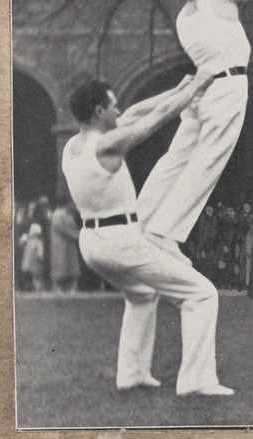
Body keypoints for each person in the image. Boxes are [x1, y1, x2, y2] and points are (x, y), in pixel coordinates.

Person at [61, 71, 233, 396]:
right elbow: (154, 120)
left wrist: (178, 87)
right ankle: (196, 381)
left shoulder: (74, 145)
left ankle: (132, 375)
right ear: (99, 112)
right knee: (202, 294)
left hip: (92, 243)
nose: (117, 111)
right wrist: (197, 85)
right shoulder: (108, 145)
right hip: (120, 241)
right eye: (111, 107)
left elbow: (135, 113)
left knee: (142, 295)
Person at [138, 0, 253, 260]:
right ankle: (165, 231)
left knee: (176, 158)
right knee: (208, 161)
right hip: (227, 87)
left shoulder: (184, 17)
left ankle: (143, 218)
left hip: (202, 91)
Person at [49, 199, 81, 293]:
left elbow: (73, 228)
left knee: (72, 266)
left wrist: (77, 235)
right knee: (60, 266)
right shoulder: (57, 214)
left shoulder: (69, 215)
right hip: (60, 244)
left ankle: (73, 287)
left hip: (69, 244)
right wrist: (75, 235)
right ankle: (57, 287)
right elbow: (60, 227)